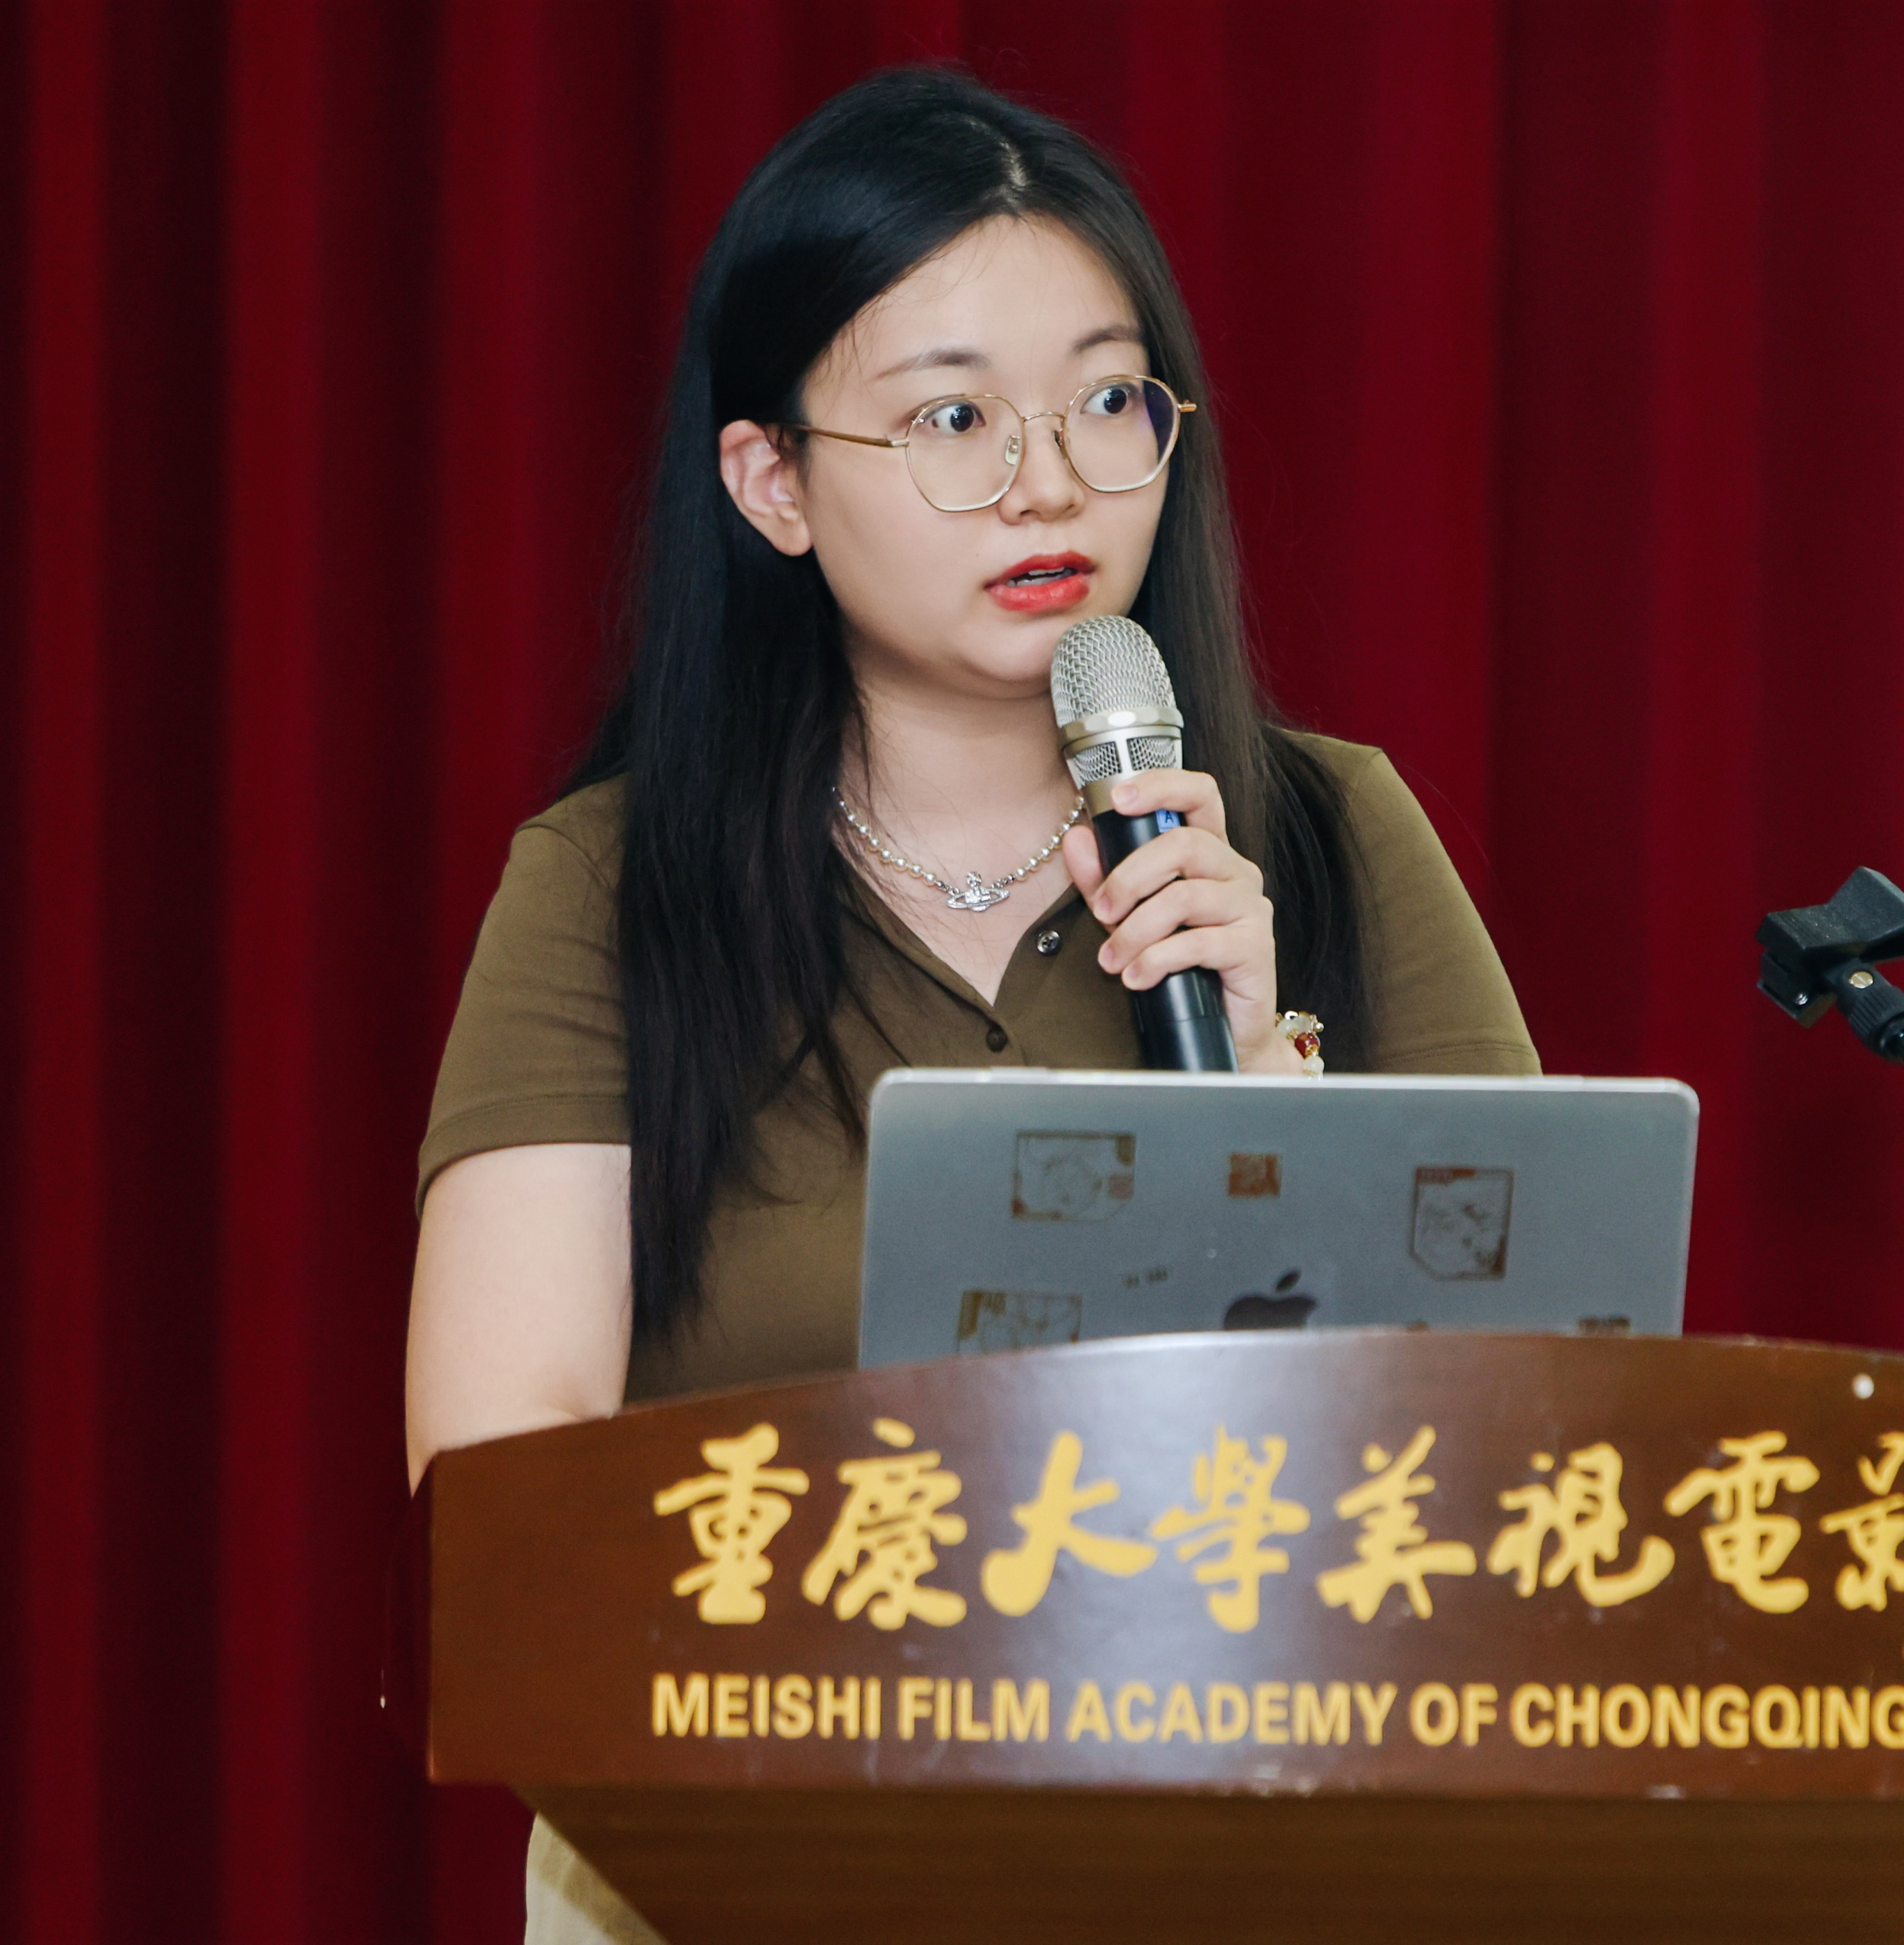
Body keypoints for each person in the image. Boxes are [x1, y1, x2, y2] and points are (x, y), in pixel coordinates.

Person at [399, 67, 1536, 1941]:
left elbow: (1536, 1453)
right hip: (738, 1869)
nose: (1049, 480)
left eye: (1108, 400)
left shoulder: (1336, 840)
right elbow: (499, 1482)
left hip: (1267, 1873)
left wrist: (1274, 1094)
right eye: (953, 417)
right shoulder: (611, 891)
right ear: (772, 484)